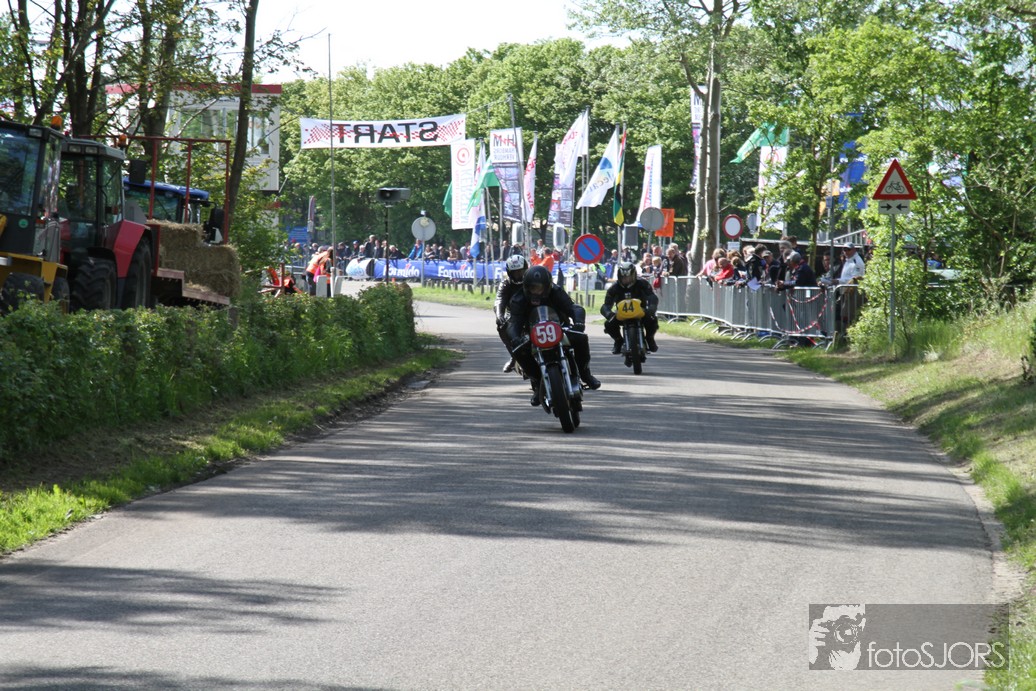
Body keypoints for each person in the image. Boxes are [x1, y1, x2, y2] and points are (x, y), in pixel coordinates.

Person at [507, 265, 601, 406]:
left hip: (560, 328)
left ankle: (585, 374)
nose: (536, 292)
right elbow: (514, 322)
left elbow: (573, 308)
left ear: (547, 286)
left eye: (540, 288)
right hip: (533, 334)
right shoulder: (518, 299)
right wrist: (515, 337)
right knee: (518, 351)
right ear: (526, 287)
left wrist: (579, 323)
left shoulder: (556, 292)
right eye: (533, 288)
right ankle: (537, 383)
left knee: (581, 338)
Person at [600, 261, 659, 354]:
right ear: (619, 276)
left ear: (634, 275)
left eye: (628, 277)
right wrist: (609, 314)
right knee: (608, 324)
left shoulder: (642, 283)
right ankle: (618, 341)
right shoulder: (614, 288)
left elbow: (652, 296)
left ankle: (649, 338)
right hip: (621, 314)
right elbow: (606, 305)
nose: (626, 279)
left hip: (641, 312)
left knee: (652, 319)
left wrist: (651, 308)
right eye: (623, 277)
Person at [495, 254, 529, 373]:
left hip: (535, 312)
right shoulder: (506, 284)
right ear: (510, 273)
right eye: (515, 272)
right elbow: (499, 300)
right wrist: (499, 315)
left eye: (521, 271)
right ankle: (514, 357)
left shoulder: (533, 279)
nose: (518, 274)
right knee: (502, 326)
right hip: (514, 315)